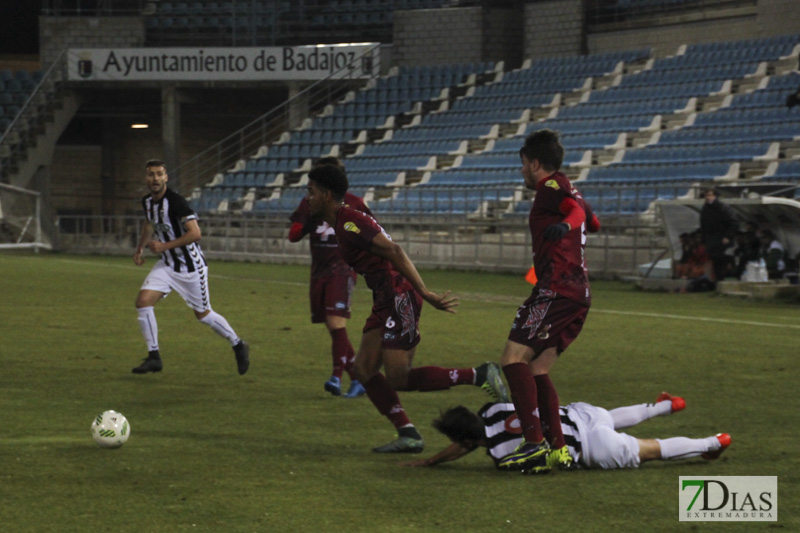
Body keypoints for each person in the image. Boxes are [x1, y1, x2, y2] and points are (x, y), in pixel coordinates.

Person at [305, 163, 506, 453]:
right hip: (385, 299)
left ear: (325, 194)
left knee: (398, 377)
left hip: (400, 296)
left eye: (310, 192)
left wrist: (424, 291)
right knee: (363, 369)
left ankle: (478, 374)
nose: (307, 198)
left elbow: (394, 250)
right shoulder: (342, 221)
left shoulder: (349, 221)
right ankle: (408, 433)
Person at [497, 129, 600, 475]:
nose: (522, 171)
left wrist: (566, 226)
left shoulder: (550, 187)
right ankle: (558, 450)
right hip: (578, 294)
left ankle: (533, 444)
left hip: (555, 289)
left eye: (524, 164)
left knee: (513, 360)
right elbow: (593, 220)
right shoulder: (568, 186)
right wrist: (575, 220)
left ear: (536, 163)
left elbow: (576, 213)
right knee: (538, 368)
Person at [399, 393, 732, 472]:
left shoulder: (501, 455)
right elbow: (466, 443)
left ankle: (711, 444)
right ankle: (664, 406)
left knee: (652, 449)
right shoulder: (492, 409)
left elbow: (466, 446)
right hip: (581, 413)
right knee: (610, 417)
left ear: (468, 440)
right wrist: (431, 462)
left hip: (591, 446)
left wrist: (429, 463)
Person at [132, 159, 250, 375]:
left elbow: (195, 233)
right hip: (167, 265)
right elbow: (149, 223)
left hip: (190, 267)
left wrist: (165, 245)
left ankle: (238, 344)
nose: (155, 178)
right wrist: (140, 248)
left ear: (166, 177)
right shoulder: (147, 202)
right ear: (146, 178)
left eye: (159, 174)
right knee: (142, 302)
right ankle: (154, 356)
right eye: (151, 174)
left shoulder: (176, 202)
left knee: (203, 315)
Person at [289, 157, 370, 398]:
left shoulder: (355, 203)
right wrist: (308, 222)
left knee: (336, 323)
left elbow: (370, 231)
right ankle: (357, 379)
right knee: (335, 328)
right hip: (319, 270)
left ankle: (336, 376)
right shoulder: (310, 203)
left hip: (343, 268)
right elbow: (293, 235)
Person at [699, 188, 737, 284]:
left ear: (715, 195)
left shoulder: (723, 207)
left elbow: (733, 223)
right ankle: (718, 282)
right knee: (715, 261)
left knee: (721, 261)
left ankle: (722, 281)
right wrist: (704, 240)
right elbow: (703, 225)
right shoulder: (705, 209)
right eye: (706, 195)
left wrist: (728, 236)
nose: (708, 197)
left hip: (722, 239)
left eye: (710, 195)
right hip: (711, 240)